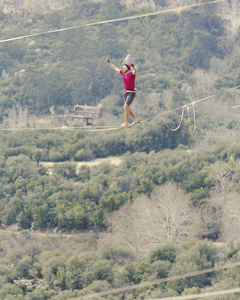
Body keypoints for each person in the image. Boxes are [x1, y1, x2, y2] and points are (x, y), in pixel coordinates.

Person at [106, 56, 140, 127]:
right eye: (123, 67)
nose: (123, 68)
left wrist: (133, 66)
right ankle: (135, 119)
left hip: (131, 92)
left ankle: (126, 122)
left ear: (128, 68)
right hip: (126, 93)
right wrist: (109, 62)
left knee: (126, 106)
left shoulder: (131, 74)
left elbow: (135, 71)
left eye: (125, 67)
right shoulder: (122, 73)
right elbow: (115, 68)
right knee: (127, 108)